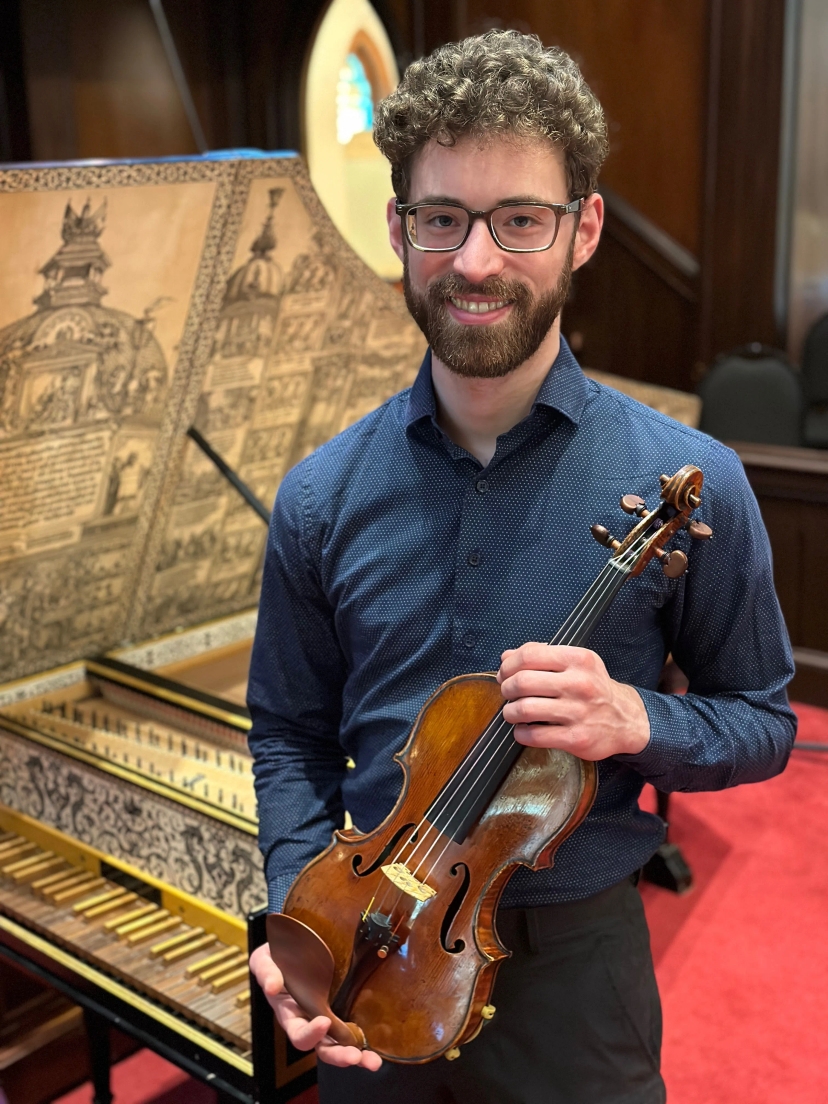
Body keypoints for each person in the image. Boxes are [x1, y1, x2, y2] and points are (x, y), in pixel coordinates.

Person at [247, 31, 796, 1104]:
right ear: (399, 228)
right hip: (371, 960)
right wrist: (300, 914)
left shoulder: (694, 479)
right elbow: (288, 732)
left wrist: (643, 722)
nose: (477, 260)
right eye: (442, 218)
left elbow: (766, 723)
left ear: (583, 229)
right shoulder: (319, 497)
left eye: (520, 220)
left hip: (577, 985)